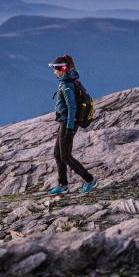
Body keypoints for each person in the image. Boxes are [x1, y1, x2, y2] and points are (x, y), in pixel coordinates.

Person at [47, 55, 98, 195]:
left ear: (62, 69)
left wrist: (69, 128)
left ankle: (89, 180)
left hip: (68, 123)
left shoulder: (67, 85)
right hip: (65, 122)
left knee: (65, 156)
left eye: (55, 69)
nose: (53, 72)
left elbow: (72, 108)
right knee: (57, 154)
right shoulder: (69, 80)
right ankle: (63, 185)